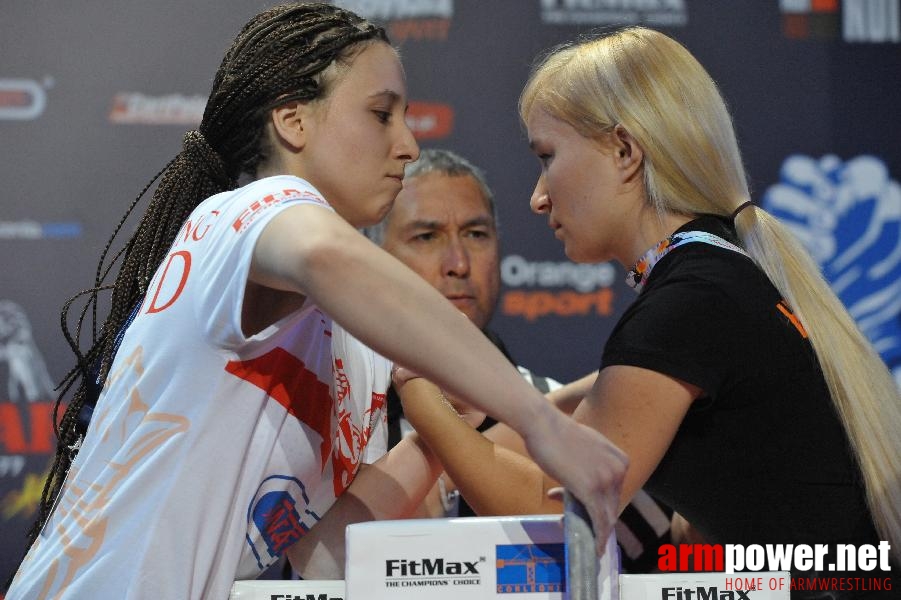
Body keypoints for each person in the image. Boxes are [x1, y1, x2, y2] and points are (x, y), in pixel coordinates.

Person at [5, 5, 627, 598]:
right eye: (381, 114)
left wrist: (450, 426)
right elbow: (326, 255)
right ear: (293, 121)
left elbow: (318, 557)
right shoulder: (243, 213)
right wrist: (540, 422)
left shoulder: (353, 345)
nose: (408, 145)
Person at [394, 26, 901, 596]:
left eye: (547, 157)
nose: (538, 197)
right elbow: (561, 419)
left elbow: (551, 508)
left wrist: (416, 380)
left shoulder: (691, 301)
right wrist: (476, 407)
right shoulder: (711, 277)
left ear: (624, 151)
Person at [367, 147, 673, 572]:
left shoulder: (573, 423)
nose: (458, 264)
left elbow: (653, 564)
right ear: (371, 259)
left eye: (476, 234)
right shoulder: (341, 422)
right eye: (426, 236)